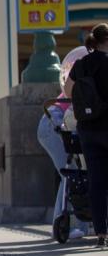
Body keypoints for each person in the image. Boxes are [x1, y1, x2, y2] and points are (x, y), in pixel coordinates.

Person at [38, 46, 90, 240]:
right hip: (56, 123)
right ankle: (69, 226)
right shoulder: (85, 70)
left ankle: (68, 225)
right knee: (71, 173)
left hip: (53, 122)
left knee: (71, 173)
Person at [65, 24, 108, 249]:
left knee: (97, 181)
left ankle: (101, 232)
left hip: (87, 129)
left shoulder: (81, 64)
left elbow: (68, 90)